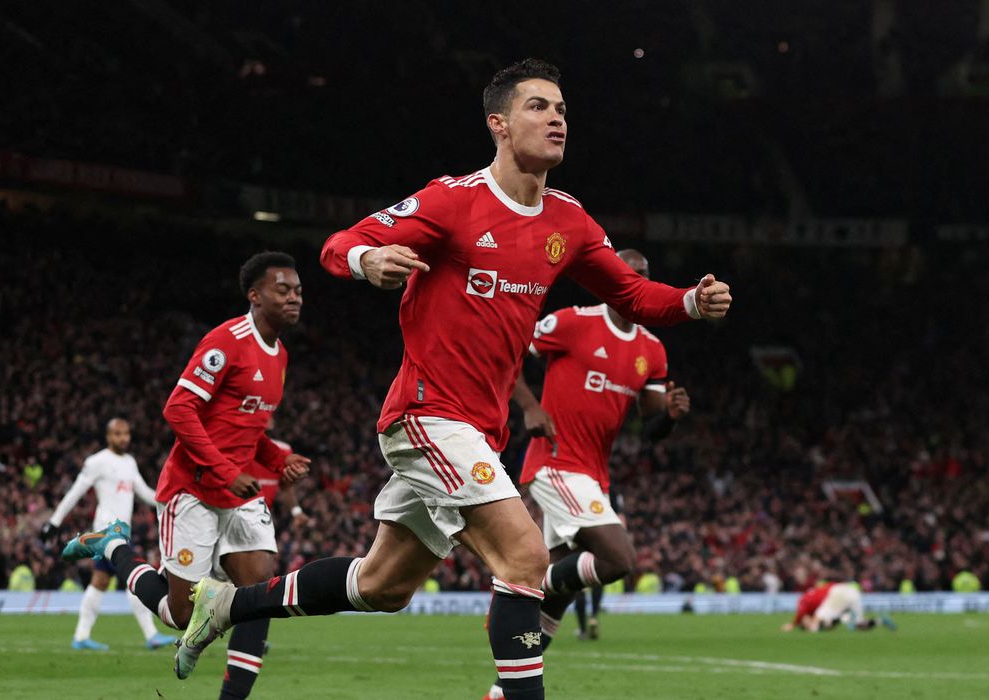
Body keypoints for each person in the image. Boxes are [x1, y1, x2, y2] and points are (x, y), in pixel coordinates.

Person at [165, 58, 732, 700]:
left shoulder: (568, 220)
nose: (556, 119)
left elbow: (632, 294)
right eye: (538, 106)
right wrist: (368, 258)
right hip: (427, 414)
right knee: (526, 556)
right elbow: (337, 244)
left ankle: (226, 605)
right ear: (498, 124)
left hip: (479, 431)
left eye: (562, 110)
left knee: (382, 586)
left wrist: (691, 301)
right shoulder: (453, 201)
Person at [62, 251, 311, 699]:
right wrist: (225, 470)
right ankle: (112, 545)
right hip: (191, 490)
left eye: (297, 290)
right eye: (283, 290)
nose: (294, 297)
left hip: (238, 494)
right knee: (179, 615)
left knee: (259, 595)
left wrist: (277, 461)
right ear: (255, 296)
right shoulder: (227, 341)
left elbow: (247, 428)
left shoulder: (280, 356)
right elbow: (178, 409)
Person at [485, 249, 691, 700]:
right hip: (556, 462)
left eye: (644, 276)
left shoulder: (652, 351)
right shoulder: (574, 322)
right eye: (629, 274)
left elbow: (652, 428)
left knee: (562, 594)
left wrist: (671, 418)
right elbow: (509, 352)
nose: (636, 282)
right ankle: (527, 589)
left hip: (594, 474)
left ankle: (503, 691)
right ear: (610, 278)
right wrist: (530, 407)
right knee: (618, 559)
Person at [42, 418, 177, 650]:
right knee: (134, 576)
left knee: (100, 581)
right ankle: (151, 635)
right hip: (107, 532)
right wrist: (54, 521)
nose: (123, 438)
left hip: (122, 533)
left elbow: (145, 493)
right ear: (108, 436)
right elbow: (76, 491)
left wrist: (171, 501)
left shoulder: (130, 462)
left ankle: (81, 637)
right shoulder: (97, 462)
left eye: (126, 433)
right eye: (117, 434)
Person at [780, 581, 896, 632]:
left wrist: (793, 624)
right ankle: (879, 621)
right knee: (859, 624)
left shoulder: (803, 601)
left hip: (838, 592)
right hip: (851, 591)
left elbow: (801, 613)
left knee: (815, 624)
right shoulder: (818, 591)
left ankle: (845, 618)